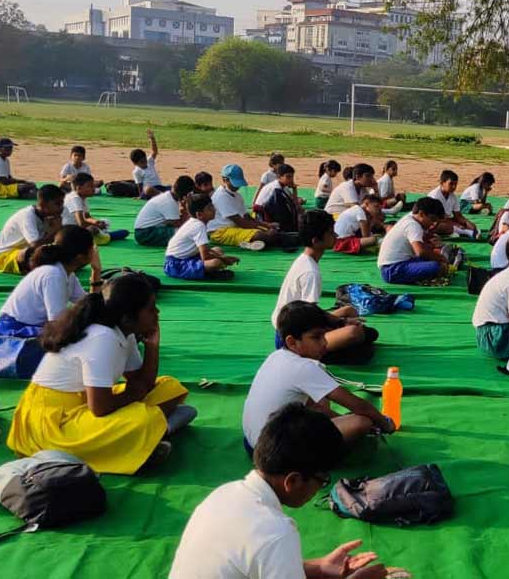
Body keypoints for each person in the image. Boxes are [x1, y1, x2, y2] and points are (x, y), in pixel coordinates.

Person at [169, 402, 410, 579]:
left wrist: (320, 568)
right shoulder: (274, 532)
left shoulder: (223, 494)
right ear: (292, 481)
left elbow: (253, 565)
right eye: (322, 479)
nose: (321, 486)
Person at [7, 273, 195, 474]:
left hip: (87, 405)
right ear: (127, 318)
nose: (157, 312)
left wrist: (152, 346)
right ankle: (149, 436)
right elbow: (100, 407)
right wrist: (135, 394)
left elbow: (144, 383)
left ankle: (148, 435)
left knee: (169, 386)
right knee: (145, 419)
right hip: (54, 423)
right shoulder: (102, 337)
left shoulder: (125, 332)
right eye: (150, 309)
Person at [245, 302, 395, 454]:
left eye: (324, 335)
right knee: (361, 422)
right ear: (292, 342)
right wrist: (386, 423)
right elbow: (358, 406)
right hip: (276, 454)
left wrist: (340, 419)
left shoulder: (276, 356)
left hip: (254, 444)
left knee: (320, 401)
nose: (325, 342)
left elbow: (318, 408)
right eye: (316, 337)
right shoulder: (304, 367)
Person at [273, 210, 376, 362]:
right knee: (356, 333)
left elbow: (310, 312)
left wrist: (340, 321)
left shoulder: (305, 259)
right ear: (316, 241)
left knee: (349, 311)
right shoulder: (310, 272)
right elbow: (308, 319)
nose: (336, 235)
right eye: (330, 233)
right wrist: (341, 324)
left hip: (297, 324)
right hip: (295, 338)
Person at [0, 226, 102, 338]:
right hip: (15, 330)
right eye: (92, 248)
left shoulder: (68, 274)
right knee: (81, 334)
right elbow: (57, 326)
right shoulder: (53, 275)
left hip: (33, 327)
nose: (95, 252)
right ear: (80, 257)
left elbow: (89, 305)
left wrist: (96, 272)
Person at [0, 184, 65, 275]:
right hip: (7, 257)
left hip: (31, 251)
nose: (61, 208)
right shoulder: (27, 216)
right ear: (43, 204)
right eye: (58, 204)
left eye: (62, 203)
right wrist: (56, 231)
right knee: (31, 252)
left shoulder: (50, 216)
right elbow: (34, 245)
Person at [165, 194, 240, 280]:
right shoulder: (199, 226)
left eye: (212, 206)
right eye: (209, 208)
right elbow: (205, 256)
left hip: (187, 258)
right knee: (216, 263)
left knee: (218, 250)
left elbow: (206, 250)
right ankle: (209, 274)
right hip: (176, 265)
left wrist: (222, 257)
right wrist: (224, 259)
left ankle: (206, 271)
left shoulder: (197, 222)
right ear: (199, 214)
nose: (214, 209)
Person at [378, 197, 450, 285]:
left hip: (396, 265)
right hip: (393, 270)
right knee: (436, 266)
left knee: (433, 258)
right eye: (432, 220)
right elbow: (420, 252)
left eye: (437, 222)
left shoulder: (411, 217)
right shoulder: (413, 226)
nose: (434, 224)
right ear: (421, 214)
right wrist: (441, 258)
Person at [209, 164, 279, 251]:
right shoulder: (221, 196)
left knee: (270, 233)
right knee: (261, 235)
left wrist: (267, 225)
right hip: (220, 232)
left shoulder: (237, 196)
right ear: (225, 180)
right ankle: (252, 241)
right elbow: (241, 222)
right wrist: (264, 230)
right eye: (235, 183)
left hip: (234, 227)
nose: (237, 187)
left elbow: (246, 217)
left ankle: (248, 243)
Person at [63, 172, 129, 245]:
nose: (94, 189)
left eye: (93, 186)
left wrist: (96, 222)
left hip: (75, 229)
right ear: (79, 188)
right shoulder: (75, 199)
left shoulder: (82, 198)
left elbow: (87, 217)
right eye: (90, 186)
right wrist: (97, 226)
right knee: (93, 229)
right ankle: (103, 237)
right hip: (68, 232)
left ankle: (102, 236)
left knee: (105, 222)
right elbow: (81, 223)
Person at [134, 175, 195, 247]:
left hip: (145, 231)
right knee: (183, 234)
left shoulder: (168, 196)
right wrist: (186, 207)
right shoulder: (170, 202)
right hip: (145, 233)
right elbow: (180, 224)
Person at [427, 169, 479, 238]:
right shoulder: (434, 196)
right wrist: (455, 224)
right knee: (440, 226)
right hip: (434, 222)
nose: (454, 187)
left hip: (447, 220)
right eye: (451, 184)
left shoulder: (453, 196)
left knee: (466, 224)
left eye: (455, 184)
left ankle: (460, 230)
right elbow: (434, 219)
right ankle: (466, 232)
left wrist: (467, 223)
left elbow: (458, 216)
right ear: (442, 183)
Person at [255, 163, 303, 231]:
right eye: (288, 177)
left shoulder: (283, 187)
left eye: (292, 177)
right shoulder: (275, 188)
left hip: (273, 211)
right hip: (264, 216)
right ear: (279, 177)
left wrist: (294, 190)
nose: (291, 179)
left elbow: (295, 204)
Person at [130, 129, 166, 199]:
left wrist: (152, 139)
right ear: (135, 163)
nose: (145, 163)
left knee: (173, 187)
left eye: (145, 160)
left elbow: (154, 151)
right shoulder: (136, 172)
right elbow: (139, 185)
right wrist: (140, 196)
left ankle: (163, 195)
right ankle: (164, 195)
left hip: (159, 187)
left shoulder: (149, 162)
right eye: (142, 162)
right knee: (148, 190)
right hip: (149, 191)